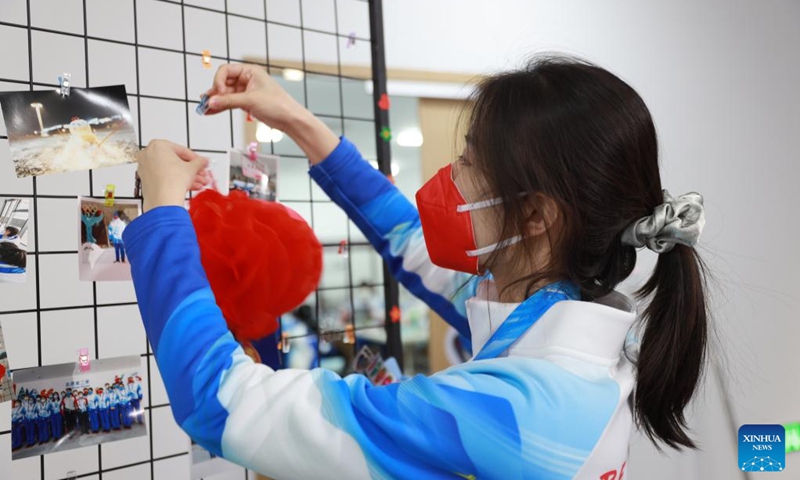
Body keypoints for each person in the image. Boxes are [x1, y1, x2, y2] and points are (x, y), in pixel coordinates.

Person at [128, 58, 709, 479]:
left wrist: (162, 215)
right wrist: (294, 118)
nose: (450, 175)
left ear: (534, 214)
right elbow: (406, 239)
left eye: (470, 160)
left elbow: (223, 399)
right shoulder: (565, 318)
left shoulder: (521, 412)